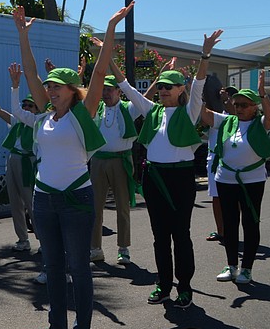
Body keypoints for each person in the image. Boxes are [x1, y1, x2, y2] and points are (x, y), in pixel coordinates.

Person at [19, 1, 134, 329]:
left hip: (76, 199)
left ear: (72, 89)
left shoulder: (83, 115)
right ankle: (57, 328)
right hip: (44, 199)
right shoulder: (45, 117)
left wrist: (112, 27)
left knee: (79, 268)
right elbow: (30, 72)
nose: (51, 91)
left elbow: (99, 74)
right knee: (52, 267)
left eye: (58, 87)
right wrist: (22, 35)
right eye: (49, 88)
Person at [124, 30, 223, 308]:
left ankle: (185, 286)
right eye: (161, 86)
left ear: (181, 89)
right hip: (155, 177)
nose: (164, 90)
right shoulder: (151, 110)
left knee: (180, 234)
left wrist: (205, 54)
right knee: (159, 237)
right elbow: (126, 87)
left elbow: (200, 82)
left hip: (180, 179)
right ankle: (164, 285)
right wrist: (107, 51)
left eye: (170, 86)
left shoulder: (189, 111)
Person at [202, 70, 270, 284]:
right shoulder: (227, 121)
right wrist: (193, 89)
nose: (239, 108)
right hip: (225, 179)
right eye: (236, 104)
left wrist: (263, 94)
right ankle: (232, 265)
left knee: (250, 224)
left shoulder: (260, 124)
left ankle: (247, 269)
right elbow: (205, 115)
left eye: (244, 105)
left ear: (254, 107)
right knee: (230, 224)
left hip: (252, 181)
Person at [88, 45, 145, 266]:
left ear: (118, 92)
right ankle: (95, 248)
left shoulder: (129, 108)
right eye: (104, 89)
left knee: (122, 205)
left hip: (121, 160)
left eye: (110, 89)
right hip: (99, 161)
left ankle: (123, 249)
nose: (106, 93)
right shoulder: (97, 109)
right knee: (95, 207)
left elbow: (142, 98)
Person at [0, 69, 38, 255]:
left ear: (36, 109)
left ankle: (44, 240)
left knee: (31, 203)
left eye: (30, 105)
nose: (26, 108)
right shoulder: (16, 122)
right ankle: (23, 239)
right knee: (15, 202)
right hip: (12, 159)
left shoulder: (37, 123)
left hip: (27, 162)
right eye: (25, 105)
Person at [204, 86, 238, 243]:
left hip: (230, 160)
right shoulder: (217, 115)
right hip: (213, 159)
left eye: (226, 95)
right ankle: (221, 231)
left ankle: (232, 231)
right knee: (216, 197)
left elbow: (235, 115)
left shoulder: (236, 116)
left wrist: (226, 99)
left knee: (232, 199)